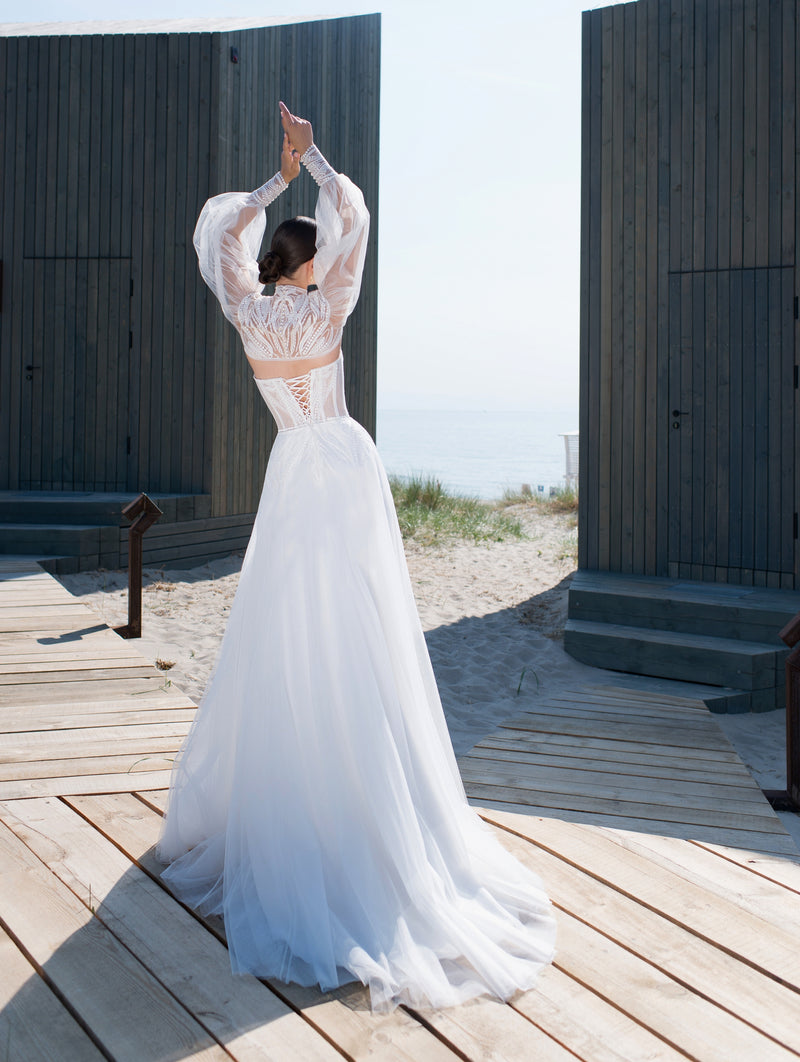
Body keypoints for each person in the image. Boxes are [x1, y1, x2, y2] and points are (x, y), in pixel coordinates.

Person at [157, 101, 556, 1012]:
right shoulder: (327, 304)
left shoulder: (249, 313)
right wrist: (316, 157)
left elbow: (223, 238)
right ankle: (366, 817)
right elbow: (360, 218)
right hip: (342, 464)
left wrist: (275, 177)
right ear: (310, 261)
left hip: (292, 471)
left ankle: (301, 802)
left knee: (290, 633)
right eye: (317, 250)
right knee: (363, 634)